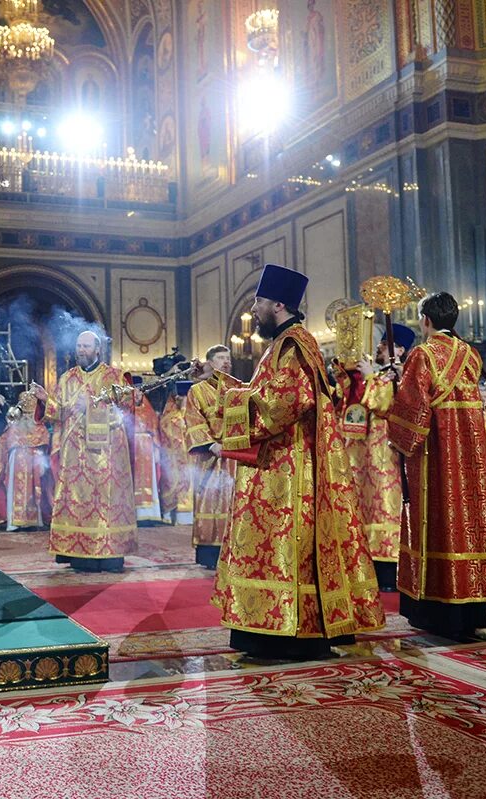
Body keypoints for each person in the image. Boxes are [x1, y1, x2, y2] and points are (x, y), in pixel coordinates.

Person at [202, 264, 383, 658]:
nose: (255, 308)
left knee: (286, 549)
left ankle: (287, 633)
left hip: (287, 473)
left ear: (278, 304)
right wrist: (232, 388)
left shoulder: (292, 345)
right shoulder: (287, 342)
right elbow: (271, 392)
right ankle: (268, 630)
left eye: (259, 301)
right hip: (282, 466)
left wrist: (234, 399)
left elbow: (284, 403)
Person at [387, 292, 486, 636]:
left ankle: (436, 610)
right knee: (467, 520)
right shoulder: (471, 353)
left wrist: (399, 437)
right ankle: (472, 607)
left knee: (437, 519)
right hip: (470, 449)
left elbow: (412, 410)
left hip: (436, 452)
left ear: (425, 320)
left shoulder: (422, 354)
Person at [31, 330, 138, 572]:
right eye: (79, 346)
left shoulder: (114, 376)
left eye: (86, 346)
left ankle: (109, 554)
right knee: (77, 503)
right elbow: (58, 412)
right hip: (75, 453)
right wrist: (43, 399)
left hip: (106, 454)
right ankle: (78, 555)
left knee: (104, 504)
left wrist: (89, 405)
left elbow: (126, 409)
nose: (81, 350)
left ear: (98, 349)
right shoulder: (67, 378)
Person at [347, 324, 414, 592]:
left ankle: (390, 568)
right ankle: (371, 564)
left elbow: (382, 404)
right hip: (367, 450)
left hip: (387, 450)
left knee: (387, 503)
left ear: (399, 349)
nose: (379, 347)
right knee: (367, 503)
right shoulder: (383, 373)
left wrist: (371, 377)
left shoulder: (400, 374)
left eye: (385, 345)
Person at [184, 345, 239, 569]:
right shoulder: (196, 391)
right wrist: (211, 444)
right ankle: (209, 553)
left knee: (233, 502)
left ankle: (233, 551)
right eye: (220, 358)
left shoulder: (239, 389)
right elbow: (192, 420)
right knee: (210, 502)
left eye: (228, 358)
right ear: (210, 363)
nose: (226, 362)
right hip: (210, 456)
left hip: (236, 455)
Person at [0, 392, 52, 531]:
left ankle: (33, 522)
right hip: (16, 463)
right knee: (15, 491)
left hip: (34, 464)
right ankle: (14, 522)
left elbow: (44, 445)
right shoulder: (13, 427)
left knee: (33, 491)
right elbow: (6, 442)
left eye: (29, 414)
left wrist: (39, 459)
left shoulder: (40, 428)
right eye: (24, 414)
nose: (26, 417)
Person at [128, 375, 164, 523]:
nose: (137, 395)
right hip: (132, 448)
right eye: (134, 392)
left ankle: (150, 513)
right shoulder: (126, 411)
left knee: (149, 482)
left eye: (140, 392)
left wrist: (156, 452)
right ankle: (133, 514)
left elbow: (155, 430)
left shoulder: (148, 410)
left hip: (147, 449)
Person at [157, 384, 194, 525]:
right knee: (172, 483)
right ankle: (170, 515)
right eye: (181, 397)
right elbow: (173, 434)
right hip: (173, 459)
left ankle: (186, 516)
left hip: (188, 456)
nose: (183, 399)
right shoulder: (169, 417)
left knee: (189, 482)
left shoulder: (188, 412)